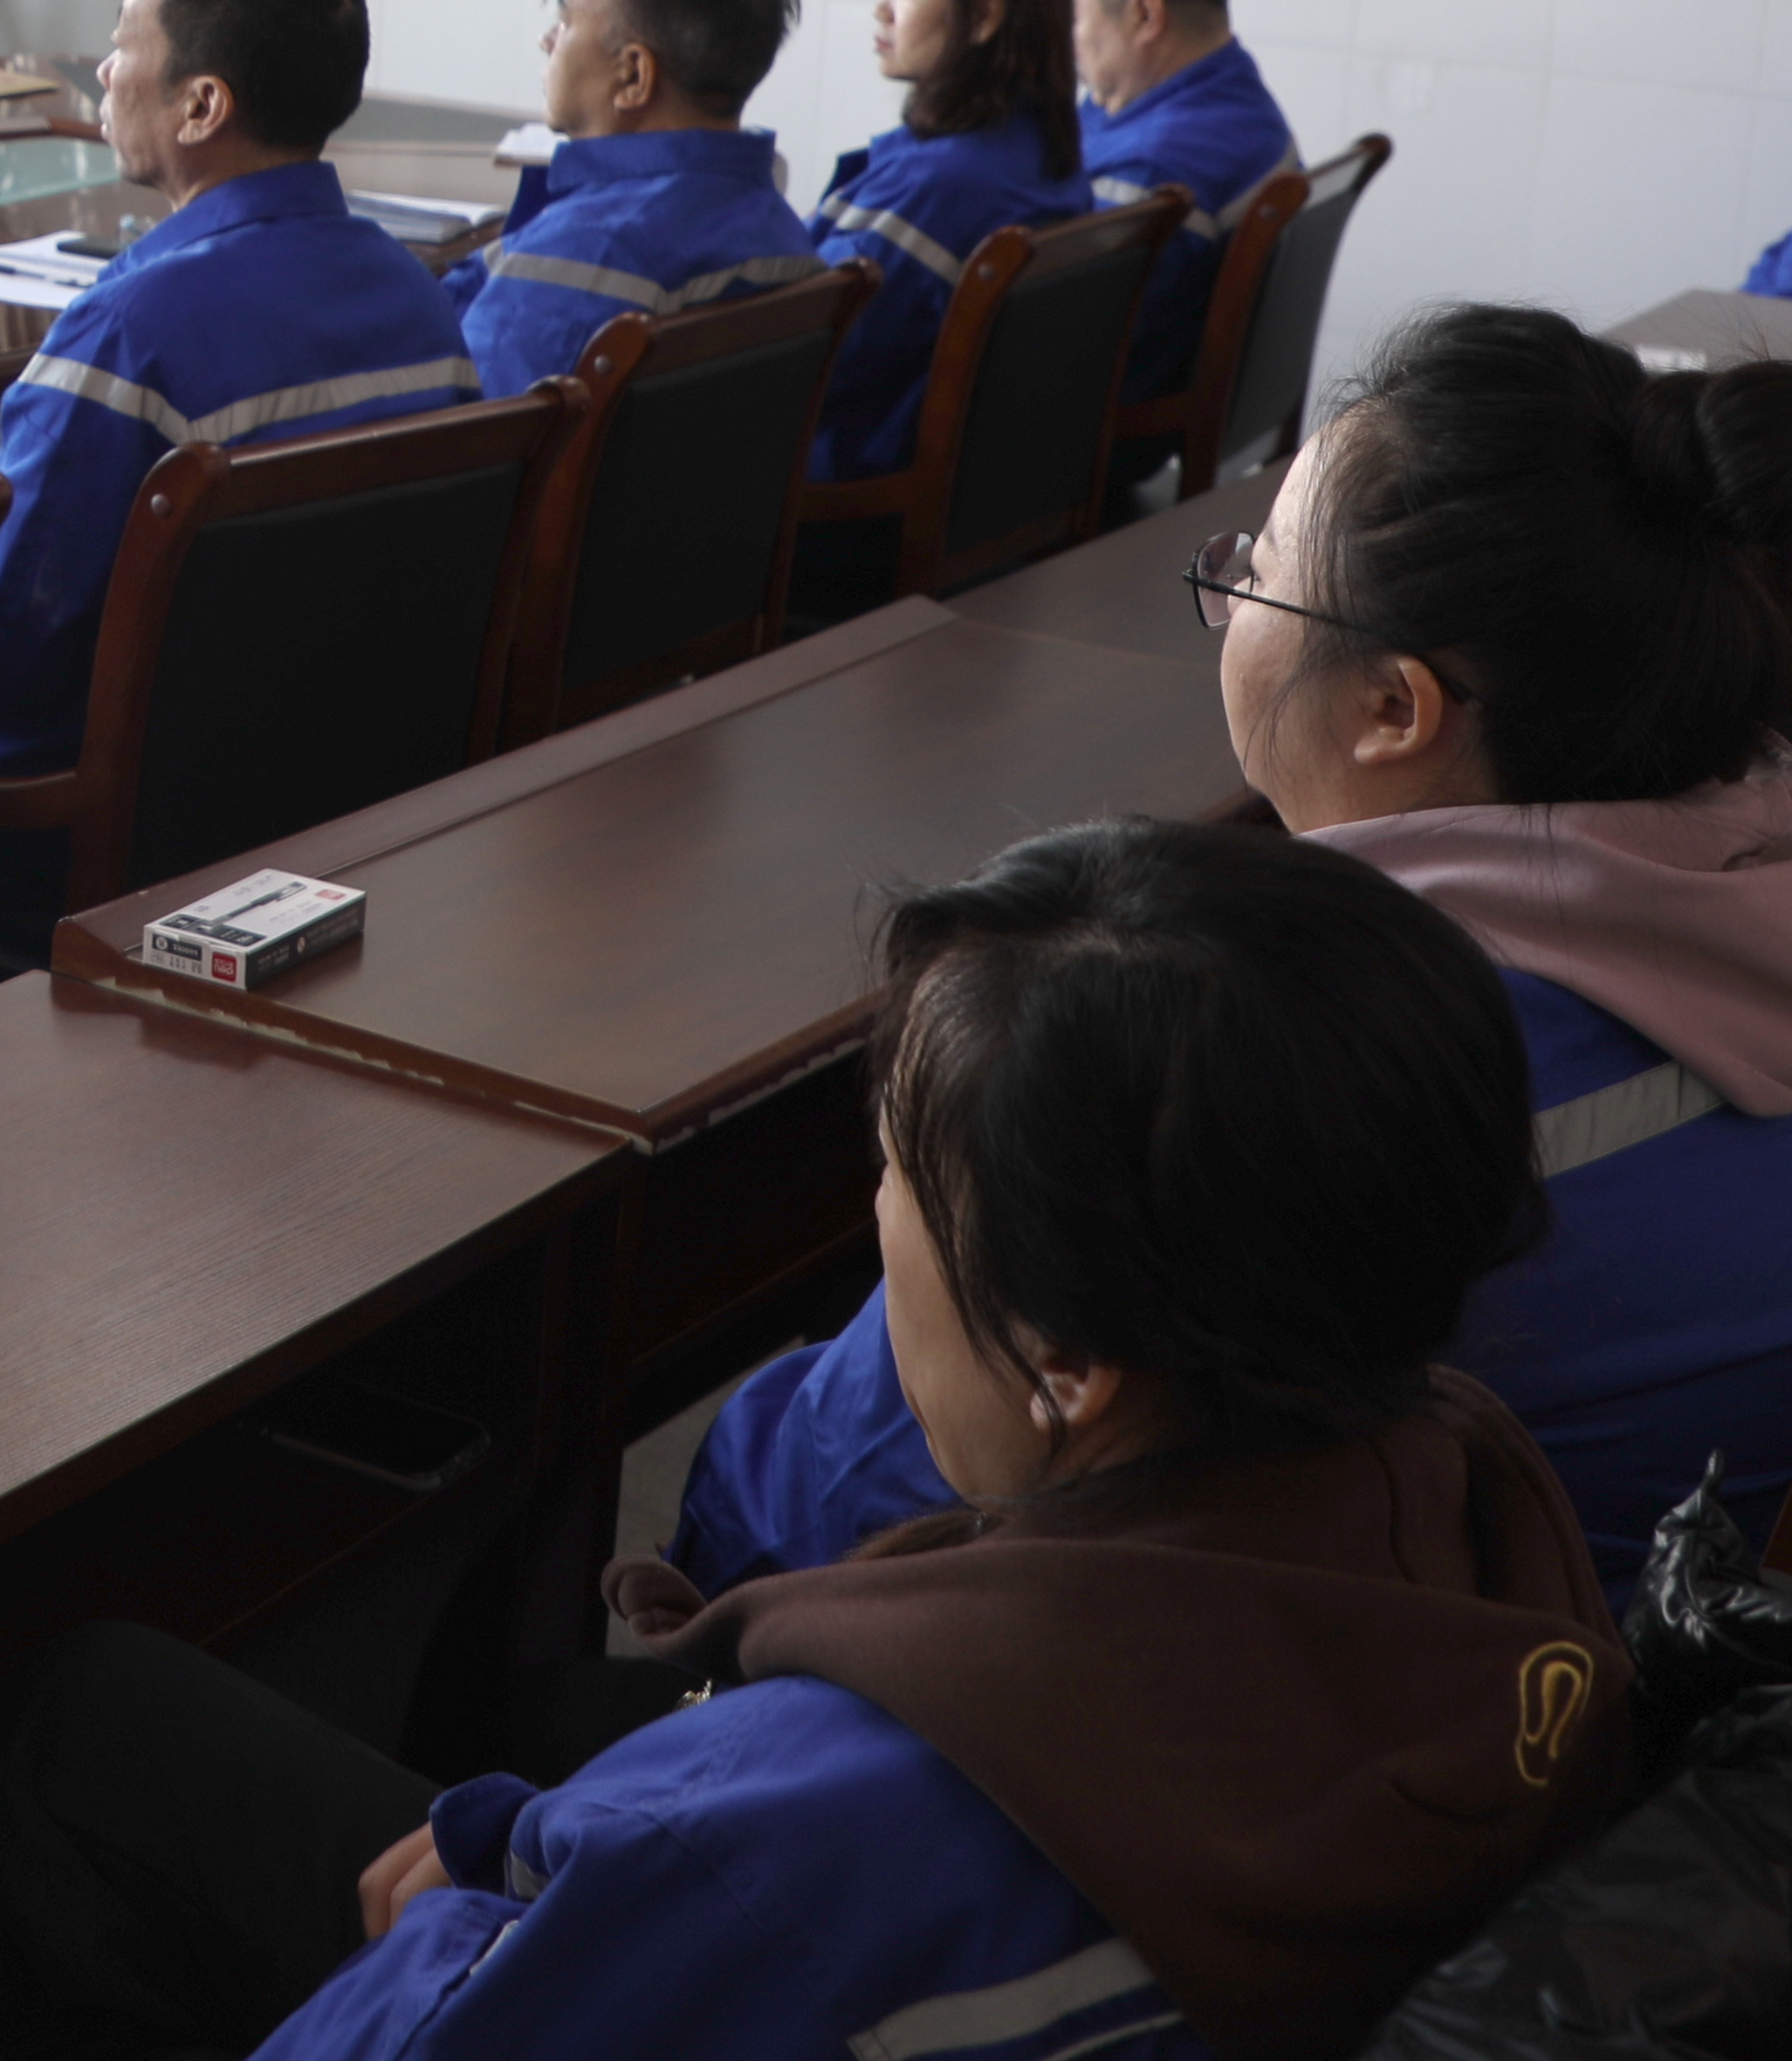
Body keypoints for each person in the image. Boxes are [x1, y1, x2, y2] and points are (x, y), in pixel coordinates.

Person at [0, 815, 1631, 2061]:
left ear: (1066, 1363)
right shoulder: (1462, 1489)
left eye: (892, 1175)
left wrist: (523, 1903)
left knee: (79, 1737)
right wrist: (538, 1857)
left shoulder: (758, 1841)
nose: (873, 1222)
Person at [676, 303, 1792, 1602]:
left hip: (1253, 1684)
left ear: (1391, 705)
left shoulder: (1261, 1057)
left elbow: (846, 1490)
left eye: (1258, 568)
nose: (1233, 591)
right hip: (1612, 1668)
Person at [0, 0, 477, 790]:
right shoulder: (416, 295)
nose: (103, 72)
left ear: (200, 106)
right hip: (335, 778)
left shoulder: (129, 331)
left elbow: (2, 645)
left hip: (95, 814)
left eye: (122, 44)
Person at [442, 0, 825, 401]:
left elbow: (462, 427)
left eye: (565, 20)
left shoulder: (593, 250)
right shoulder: (775, 225)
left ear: (633, 76)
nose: (546, 40)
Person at [806, 0, 1092, 483]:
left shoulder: (939, 185)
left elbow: (798, 357)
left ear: (983, 17)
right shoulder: (1038, 152)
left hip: (845, 482)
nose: (882, 9)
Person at [1068, 0, 1299, 405]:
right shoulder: (1235, 98)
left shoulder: (1155, 167)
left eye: (1073, 15)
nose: (1065, 40)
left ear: (1145, 15)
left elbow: (1067, 344)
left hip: (1104, 428)